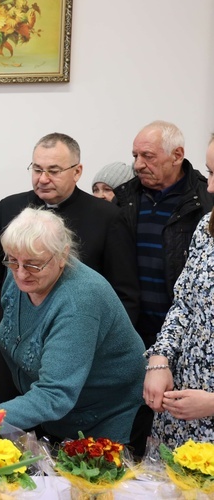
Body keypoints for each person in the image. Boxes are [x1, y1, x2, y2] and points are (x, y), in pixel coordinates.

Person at [0, 132, 139, 407]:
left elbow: (123, 294)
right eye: (36, 169)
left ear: (77, 171)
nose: (42, 178)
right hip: (12, 342)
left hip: (70, 349)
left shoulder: (107, 217)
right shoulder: (11, 207)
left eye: (53, 171)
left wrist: (100, 345)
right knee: (2, 430)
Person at [0, 207, 145, 445]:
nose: (21, 273)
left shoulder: (79, 301)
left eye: (33, 265)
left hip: (103, 419)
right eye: (12, 261)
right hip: (55, 416)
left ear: (62, 255)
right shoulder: (20, 273)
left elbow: (55, 394)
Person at [115, 120, 214, 348]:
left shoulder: (205, 201)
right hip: (133, 333)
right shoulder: (124, 200)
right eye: (135, 156)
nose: (138, 165)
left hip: (187, 336)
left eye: (147, 156)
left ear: (177, 155)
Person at [143, 134, 214, 449]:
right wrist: (159, 361)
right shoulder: (208, 227)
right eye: (210, 172)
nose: (209, 187)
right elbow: (184, 303)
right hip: (183, 404)